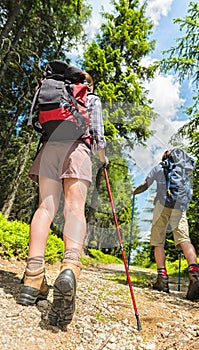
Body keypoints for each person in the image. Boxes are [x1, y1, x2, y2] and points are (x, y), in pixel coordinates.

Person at [16, 72, 108, 328]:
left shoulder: (53, 93)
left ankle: (32, 276)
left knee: (45, 207)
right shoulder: (91, 98)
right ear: (86, 85)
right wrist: (102, 158)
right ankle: (70, 267)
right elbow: (97, 135)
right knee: (75, 208)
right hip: (77, 148)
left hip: (50, 146)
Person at [133, 148, 199, 301]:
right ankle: (194, 274)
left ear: (164, 157)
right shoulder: (183, 170)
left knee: (158, 241)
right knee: (185, 240)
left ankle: (162, 279)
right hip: (180, 205)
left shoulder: (160, 167)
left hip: (162, 205)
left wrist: (134, 192)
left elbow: (146, 184)